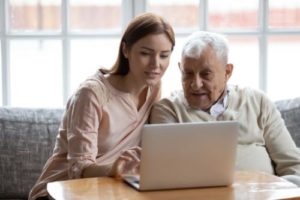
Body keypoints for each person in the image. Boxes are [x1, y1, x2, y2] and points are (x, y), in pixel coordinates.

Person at [29, 12, 175, 200]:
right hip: (61, 192)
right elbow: (78, 169)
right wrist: (114, 169)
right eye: (145, 53)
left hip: (109, 190)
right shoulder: (91, 95)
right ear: (126, 50)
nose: (156, 64)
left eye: (164, 55)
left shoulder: (154, 88)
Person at [149, 31, 300, 186]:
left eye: (206, 74)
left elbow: (293, 165)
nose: (196, 84)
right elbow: (165, 174)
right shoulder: (167, 110)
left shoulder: (258, 102)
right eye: (188, 74)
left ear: (227, 72)